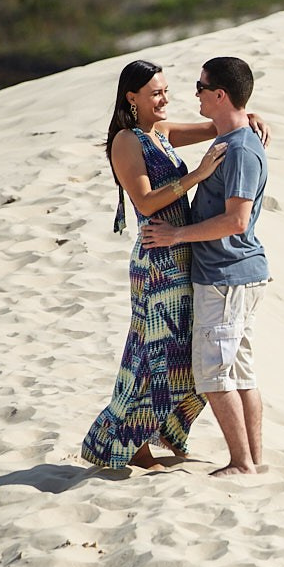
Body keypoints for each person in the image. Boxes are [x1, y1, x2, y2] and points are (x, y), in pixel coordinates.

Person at [80, 58, 237, 471]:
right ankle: (125, 443)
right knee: (151, 355)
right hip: (156, 260)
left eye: (166, 90)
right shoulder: (126, 142)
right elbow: (146, 201)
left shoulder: (161, 132)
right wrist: (197, 175)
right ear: (132, 98)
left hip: (181, 253)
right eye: (155, 93)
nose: (164, 99)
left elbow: (216, 126)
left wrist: (248, 115)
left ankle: (153, 435)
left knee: (179, 351)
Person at [142, 57, 270, 478]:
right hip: (232, 276)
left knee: (215, 374)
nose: (194, 93)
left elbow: (235, 220)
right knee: (239, 370)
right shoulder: (236, 140)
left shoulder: (239, 151)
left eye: (200, 86)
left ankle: (241, 463)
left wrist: (176, 236)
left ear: (219, 95)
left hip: (225, 277)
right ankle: (253, 458)